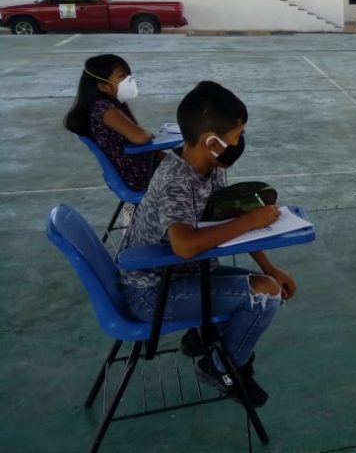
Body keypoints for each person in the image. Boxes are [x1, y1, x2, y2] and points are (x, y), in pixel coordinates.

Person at [119, 81, 298, 407]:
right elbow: (185, 246)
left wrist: (270, 266)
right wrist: (250, 220)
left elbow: (225, 224)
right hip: (151, 293)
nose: (239, 143)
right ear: (212, 142)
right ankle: (222, 368)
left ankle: (204, 339)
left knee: (269, 283)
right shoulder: (175, 179)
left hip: (183, 276)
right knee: (264, 296)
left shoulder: (210, 166)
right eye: (235, 137)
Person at [64, 54, 156, 192]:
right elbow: (141, 137)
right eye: (122, 76)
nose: (129, 81)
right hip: (137, 176)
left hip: (131, 173)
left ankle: (132, 213)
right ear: (103, 86)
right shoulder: (105, 110)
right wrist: (149, 134)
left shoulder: (99, 107)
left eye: (128, 76)